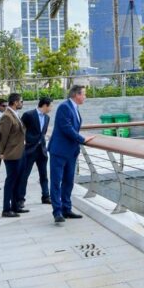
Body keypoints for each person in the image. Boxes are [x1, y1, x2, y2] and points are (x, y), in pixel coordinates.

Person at [49, 85, 94, 223]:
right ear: (76, 95)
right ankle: (57, 212)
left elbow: (73, 127)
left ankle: (66, 209)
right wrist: (82, 139)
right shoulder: (64, 107)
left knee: (68, 182)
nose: (85, 97)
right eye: (84, 94)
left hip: (71, 152)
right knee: (56, 182)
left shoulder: (74, 108)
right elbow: (66, 128)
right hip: (59, 151)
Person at [17, 97, 52, 208]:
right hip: (29, 150)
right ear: (45, 105)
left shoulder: (47, 118)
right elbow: (20, 130)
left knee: (44, 175)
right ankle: (20, 199)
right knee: (24, 175)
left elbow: (43, 133)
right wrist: (24, 143)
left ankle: (46, 196)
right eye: (50, 106)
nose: (51, 108)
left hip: (42, 151)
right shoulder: (28, 115)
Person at [0, 93, 26, 217]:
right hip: (11, 154)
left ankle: (15, 206)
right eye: (21, 101)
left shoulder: (15, 114)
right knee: (11, 181)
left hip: (19, 152)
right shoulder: (7, 116)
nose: (22, 103)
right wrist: (1, 152)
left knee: (17, 180)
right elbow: (2, 137)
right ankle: (6, 209)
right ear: (15, 102)